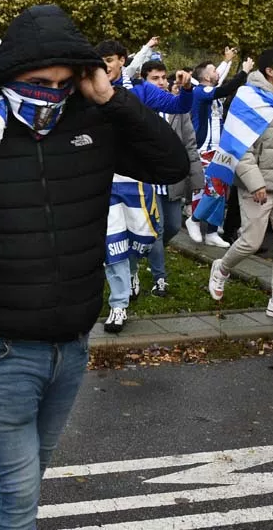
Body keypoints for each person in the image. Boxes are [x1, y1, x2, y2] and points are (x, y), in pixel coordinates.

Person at [0, 4, 186, 529]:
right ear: (9, 73)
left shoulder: (94, 119)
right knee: (19, 494)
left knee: (30, 475)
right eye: (37, 81)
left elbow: (171, 165)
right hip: (1, 342)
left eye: (63, 81)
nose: (49, 92)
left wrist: (112, 98)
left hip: (71, 341)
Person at [96, 39, 194, 332]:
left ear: (123, 60)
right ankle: (118, 304)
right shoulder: (89, 92)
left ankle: (133, 269)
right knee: (112, 242)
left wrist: (187, 89)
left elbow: (178, 106)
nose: (105, 65)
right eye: (101, 60)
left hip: (138, 180)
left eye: (111, 59)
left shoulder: (139, 90)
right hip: (105, 179)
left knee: (143, 238)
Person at [207, 48, 273, 320]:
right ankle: (222, 267)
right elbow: (239, 146)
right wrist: (255, 182)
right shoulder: (248, 98)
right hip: (258, 187)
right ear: (269, 71)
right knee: (250, 242)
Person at [141, 60, 203, 297]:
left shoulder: (177, 107)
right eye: (154, 78)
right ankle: (160, 278)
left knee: (173, 225)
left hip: (171, 179)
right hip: (146, 179)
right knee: (155, 228)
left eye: (163, 77)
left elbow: (189, 143)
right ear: (144, 81)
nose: (161, 82)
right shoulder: (137, 106)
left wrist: (196, 175)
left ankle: (144, 253)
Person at [187, 49, 250, 247]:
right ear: (205, 76)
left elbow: (220, 80)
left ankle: (212, 232)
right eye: (213, 70)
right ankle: (194, 220)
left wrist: (227, 62)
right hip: (205, 148)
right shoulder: (199, 92)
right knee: (211, 190)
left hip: (219, 148)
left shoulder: (209, 88)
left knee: (221, 191)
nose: (217, 73)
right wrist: (243, 72)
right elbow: (224, 88)